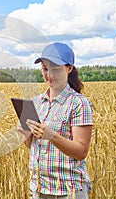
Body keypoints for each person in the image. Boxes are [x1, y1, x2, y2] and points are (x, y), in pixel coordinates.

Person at [18, 42, 94, 199]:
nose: (49, 75)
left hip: (69, 190)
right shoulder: (36, 102)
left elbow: (81, 152)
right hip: (40, 189)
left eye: (55, 69)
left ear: (69, 68)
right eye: (45, 69)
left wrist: (52, 136)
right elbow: (33, 146)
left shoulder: (79, 103)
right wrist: (25, 134)